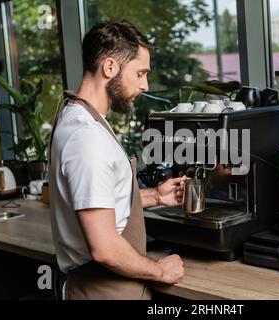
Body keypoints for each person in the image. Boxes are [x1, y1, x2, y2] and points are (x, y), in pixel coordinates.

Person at [48, 20, 185, 300]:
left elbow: (92, 199)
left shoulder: (79, 117)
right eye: (140, 73)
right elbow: (105, 248)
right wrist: (160, 271)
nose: (145, 85)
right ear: (110, 67)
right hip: (104, 290)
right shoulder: (87, 137)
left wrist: (154, 196)